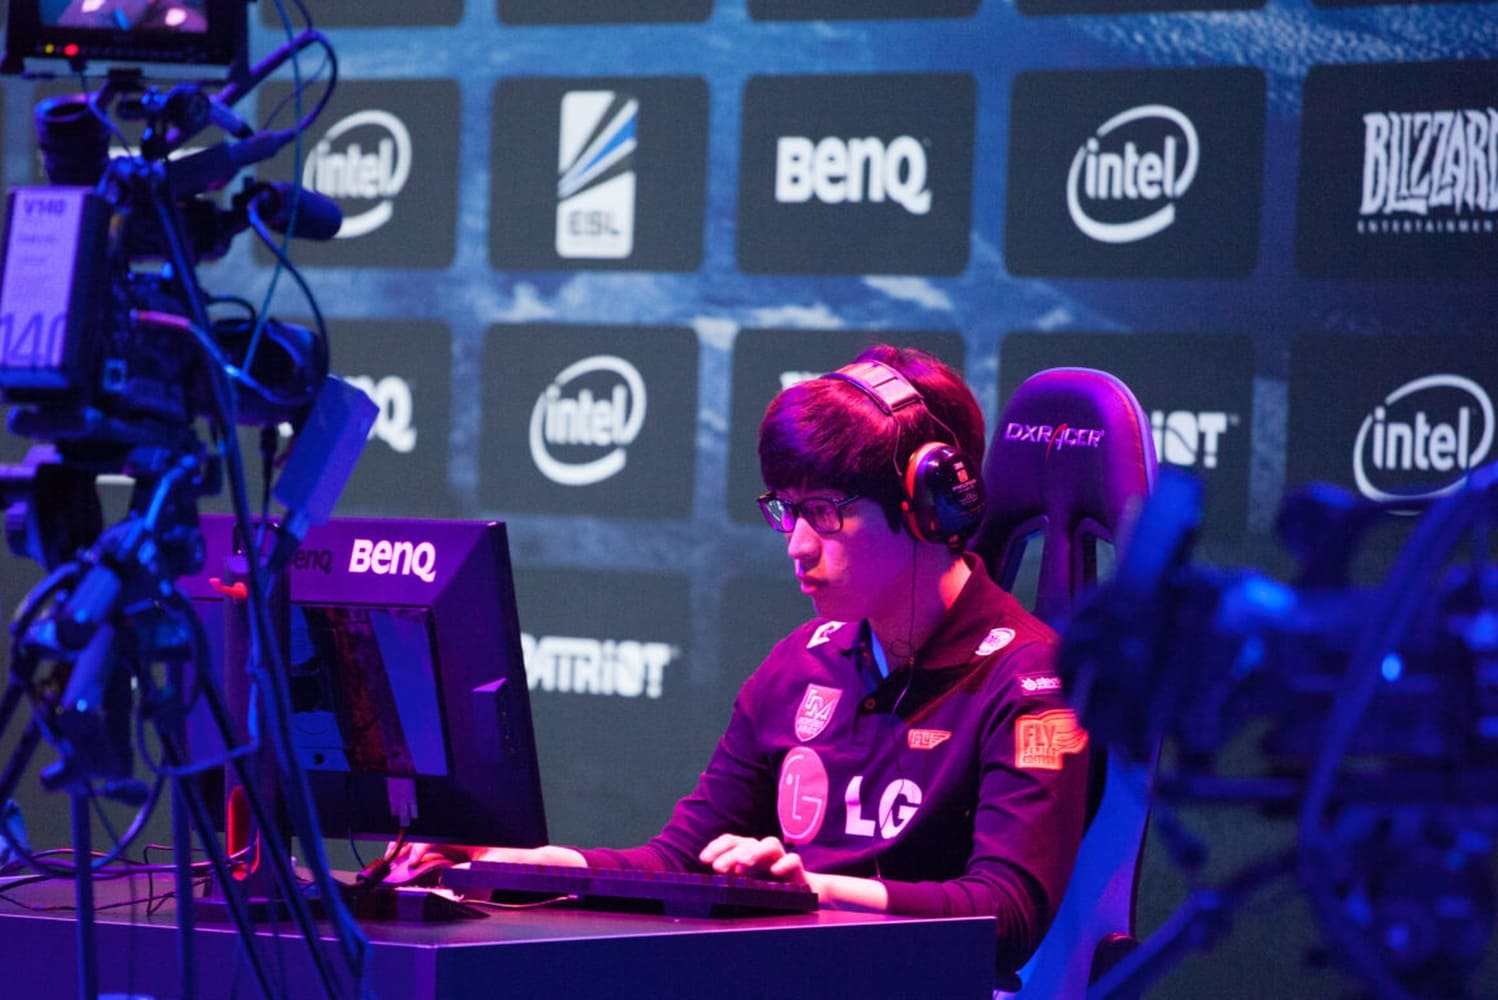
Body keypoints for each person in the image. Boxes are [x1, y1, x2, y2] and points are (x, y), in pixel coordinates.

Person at [390, 345, 1091, 981]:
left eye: (825, 512)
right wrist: (526, 868)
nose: (797, 546)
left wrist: (813, 890)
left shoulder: (1033, 682)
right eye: (787, 510)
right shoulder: (799, 666)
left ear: (926, 508)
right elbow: (677, 861)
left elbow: (1005, 916)